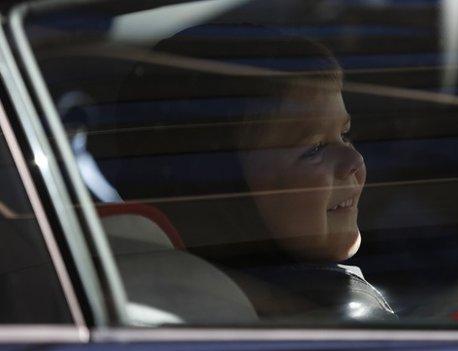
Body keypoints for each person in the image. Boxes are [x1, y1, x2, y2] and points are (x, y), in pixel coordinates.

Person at [116, 24, 396, 321]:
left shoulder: (148, 288)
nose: (353, 160)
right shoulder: (336, 312)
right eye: (314, 148)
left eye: (345, 134)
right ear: (222, 192)